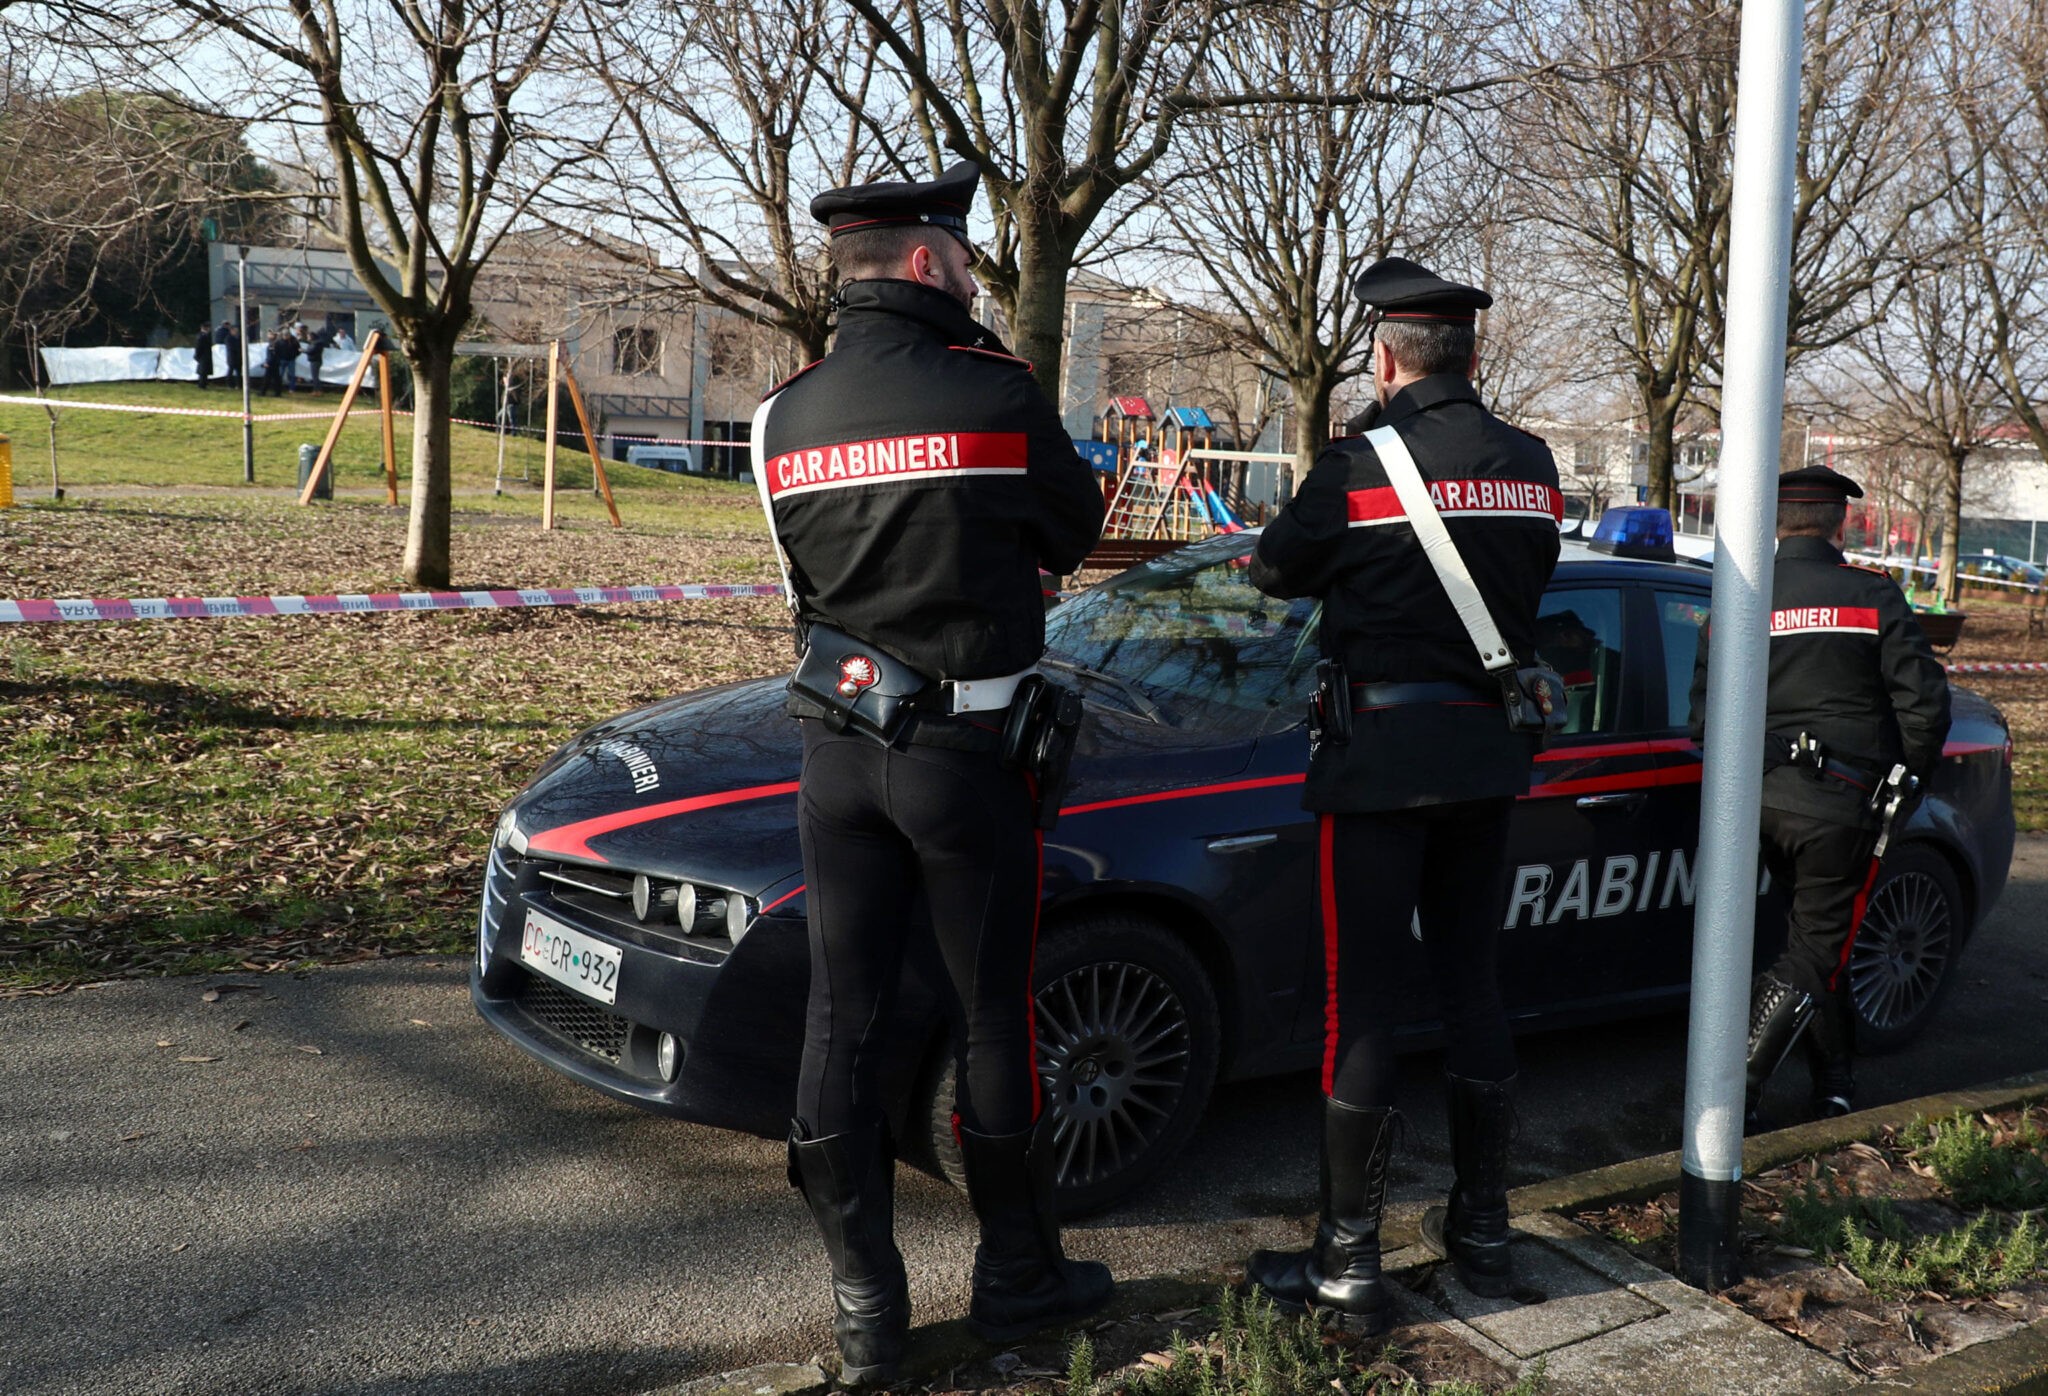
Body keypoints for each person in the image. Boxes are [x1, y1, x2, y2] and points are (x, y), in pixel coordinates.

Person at [755, 161, 1110, 1383]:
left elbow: (811, 580)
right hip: (966, 756)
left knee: (839, 1021)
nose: (971, 275)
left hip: (835, 754)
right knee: (992, 1014)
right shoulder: (995, 391)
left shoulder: (780, 415)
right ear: (924, 262)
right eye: (962, 258)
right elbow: (1072, 525)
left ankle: (865, 1314)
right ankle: (1018, 1281)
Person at [1243, 256, 1563, 1329]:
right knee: (1472, 981)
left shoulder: (1354, 465)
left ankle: (1346, 1263)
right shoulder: (1531, 463)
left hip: (1377, 761)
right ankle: (1479, 1232)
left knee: (1361, 1001)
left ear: (1383, 358)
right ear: (1467, 354)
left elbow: (1274, 570)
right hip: (1484, 760)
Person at [1689, 465, 1950, 1127]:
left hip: (1750, 804)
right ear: (1841, 523)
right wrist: (1907, 776)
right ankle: (1732, 1095)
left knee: (1812, 945)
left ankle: (1833, 1081)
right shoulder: (1871, 595)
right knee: (1814, 951)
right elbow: (1925, 705)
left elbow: (1703, 721)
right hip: (1840, 808)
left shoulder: (1737, 601)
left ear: (1778, 523)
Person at [194, 323, 213, 390]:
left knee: (205, 372)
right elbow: (199, 347)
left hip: (205, 356)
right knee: (203, 372)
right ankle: (202, 385)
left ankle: (204, 384)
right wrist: (197, 356)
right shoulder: (201, 337)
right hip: (203, 356)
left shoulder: (205, 336)